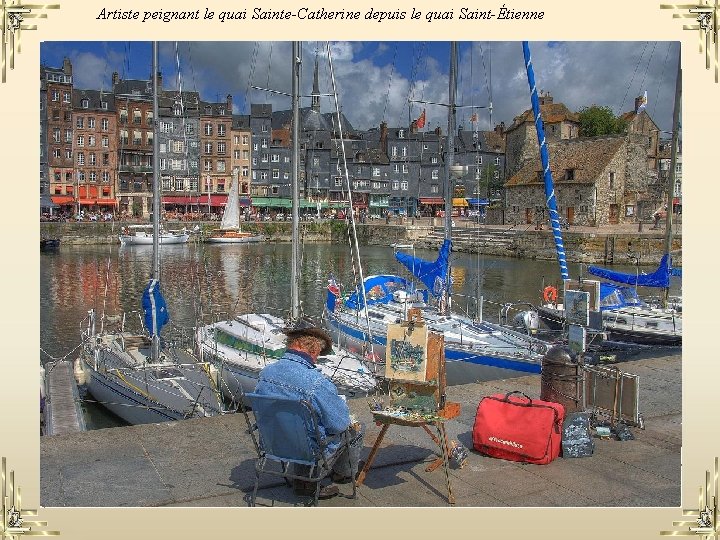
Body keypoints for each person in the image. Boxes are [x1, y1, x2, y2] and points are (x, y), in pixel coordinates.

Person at [254, 327, 364, 500]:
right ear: (312, 349)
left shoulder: (265, 374)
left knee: (305, 427)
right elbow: (339, 424)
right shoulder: (316, 382)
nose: (316, 359)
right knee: (355, 428)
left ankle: (302, 481)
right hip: (309, 450)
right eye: (318, 354)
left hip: (273, 443)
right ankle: (342, 474)